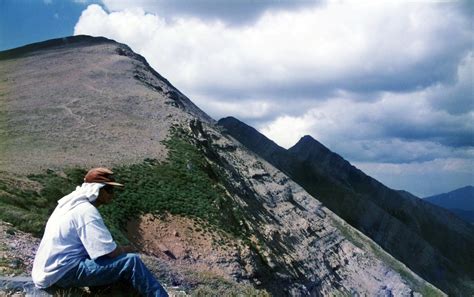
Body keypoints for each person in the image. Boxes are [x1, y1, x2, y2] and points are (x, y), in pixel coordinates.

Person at [32, 167, 168, 297]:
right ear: (97, 190)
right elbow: (109, 252)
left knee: (105, 261)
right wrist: (128, 249)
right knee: (131, 262)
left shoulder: (67, 206)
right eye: (109, 189)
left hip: (49, 271)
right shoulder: (86, 211)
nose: (112, 194)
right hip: (62, 273)